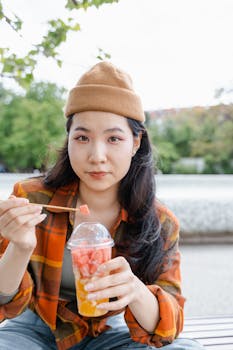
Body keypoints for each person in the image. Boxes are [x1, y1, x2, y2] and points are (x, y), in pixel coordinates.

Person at [0, 62, 204, 350]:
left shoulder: (160, 221)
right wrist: (19, 247)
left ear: (135, 142)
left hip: (112, 329)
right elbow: (3, 300)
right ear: (68, 140)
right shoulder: (31, 197)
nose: (97, 155)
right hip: (35, 328)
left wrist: (134, 290)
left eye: (114, 139)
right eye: (82, 137)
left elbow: (171, 324)